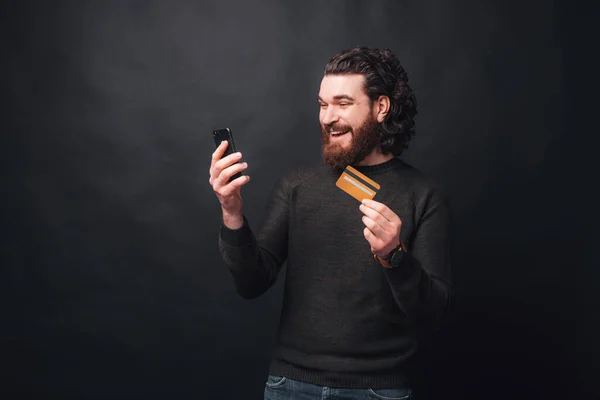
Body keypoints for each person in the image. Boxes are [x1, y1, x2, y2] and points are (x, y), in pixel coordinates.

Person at [209, 46, 453, 400]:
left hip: (377, 390)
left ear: (380, 108)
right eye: (323, 105)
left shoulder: (423, 195)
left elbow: (435, 313)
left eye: (343, 103)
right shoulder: (297, 184)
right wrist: (231, 212)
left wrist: (394, 255)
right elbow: (251, 282)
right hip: (290, 386)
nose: (327, 117)